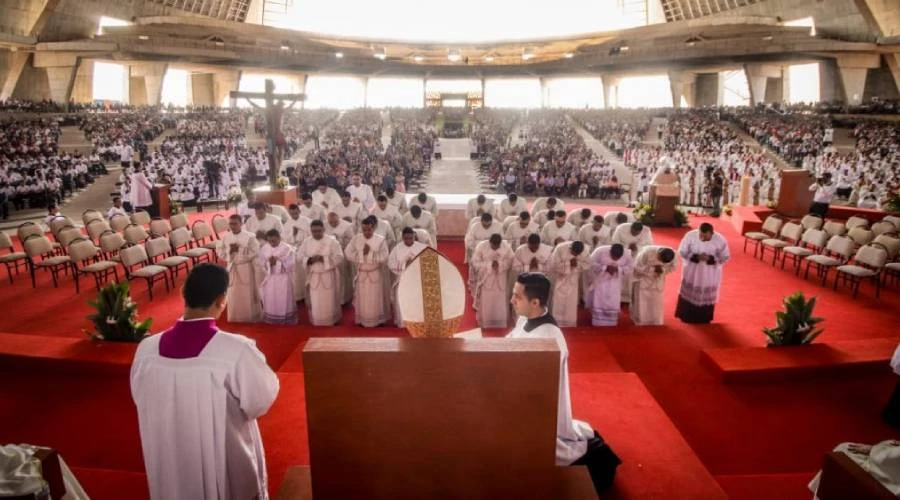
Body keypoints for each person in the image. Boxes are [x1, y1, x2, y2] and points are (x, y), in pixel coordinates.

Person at [131, 264, 279, 500]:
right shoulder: (235, 349)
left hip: (169, 457)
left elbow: (141, 398)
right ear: (221, 299)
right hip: (224, 458)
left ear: (183, 295)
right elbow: (260, 400)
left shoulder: (146, 351)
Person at [506, 273, 621, 495]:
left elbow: (539, 381)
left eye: (516, 296)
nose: (512, 300)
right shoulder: (524, 320)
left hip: (538, 406)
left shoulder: (550, 336)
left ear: (535, 302)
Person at [675, 223, 730, 324]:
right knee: (689, 292)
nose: (702, 237)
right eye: (700, 234)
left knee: (706, 293)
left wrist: (710, 258)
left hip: (709, 274)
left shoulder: (720, 240)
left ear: (712, 233)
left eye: (705, 236)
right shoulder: (690, 235)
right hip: (692, 271)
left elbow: (725, 257)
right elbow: (682, 251)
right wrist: (695, 257)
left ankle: (704, 318)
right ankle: (686, 316)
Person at [345, 216, 391, 327]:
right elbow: (347, 253)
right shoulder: (356, 238)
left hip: (374, 272)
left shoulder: (380, 239)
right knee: (363, 297)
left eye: (369, 230)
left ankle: (377, 320)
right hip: (361, 272)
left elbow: (385, 256)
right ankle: (363, 319)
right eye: (364, 230)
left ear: (373, 228)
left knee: (375, 297)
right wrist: (361, 254)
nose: (366, 232)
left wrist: (370, 253)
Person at [296, 219, 344, 326]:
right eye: (314, 231)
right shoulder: (307, 241)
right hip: (314, 275)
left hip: (328, 274)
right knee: (316, 299)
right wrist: (310, 260)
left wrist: (323, 259)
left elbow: (340, 257)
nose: (316, 233)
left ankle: (330, 319)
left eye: (319, 231)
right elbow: (299, 256)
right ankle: (317, 319)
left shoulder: (332, 241)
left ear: (324, 229)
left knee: (328, 299)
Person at [216, 215, 261, 323]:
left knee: (247, 292)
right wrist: (230, 252)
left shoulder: (250, 237)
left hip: (245, 267)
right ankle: (235, 316)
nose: (233, 226)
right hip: (232, 267)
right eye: (231, 223)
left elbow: (255, 251)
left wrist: (240, 253)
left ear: (241, 224)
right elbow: (220, 252)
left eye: (235, 223)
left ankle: (249, 317)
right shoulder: (226, 237)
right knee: (233, 292)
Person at [472, 233, 514, 328]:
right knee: (487, 299)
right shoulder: (481, 246)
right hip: (486, 277)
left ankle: (500, 321)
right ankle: (486, 321)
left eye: (497, 247)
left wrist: (500, 264)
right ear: (489, 242)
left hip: (501, 277)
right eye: (493, 246)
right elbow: (475, 263)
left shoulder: (506, 247)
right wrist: (490, 264)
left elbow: (511, 261)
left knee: (500, 299)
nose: (495, 248)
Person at [388, 227, 428, 326]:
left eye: (411, 238)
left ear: (414, 236)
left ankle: (417, 321)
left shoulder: (422, 247)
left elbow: (428, 263)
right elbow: (390, 263)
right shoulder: (397, 248)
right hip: (403, 279)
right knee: (402, 301)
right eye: (406, 238)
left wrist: (415, 263)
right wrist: (405, 263)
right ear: (402, 237)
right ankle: (403, 322)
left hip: (417, 279)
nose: (408, 241)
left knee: (416, 300)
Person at [258, 229, 297, 324]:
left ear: (279, 238)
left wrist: (277, 262)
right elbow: (261, 263)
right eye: (270, 241)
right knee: (271, 297)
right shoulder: (265, 248)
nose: (272, 243)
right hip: (271, 278)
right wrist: (268, 263)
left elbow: (291, 264)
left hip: (284, 278)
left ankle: (285, 318)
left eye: (274, 241)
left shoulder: (287, 249)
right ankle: (272, 316)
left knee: (284, 298)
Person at [630, 246, 677, 326]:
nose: (660, 261)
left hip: (658, 281)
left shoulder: (673, 255)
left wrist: (662, 270)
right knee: (642, 302)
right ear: (658, 254)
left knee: (656, 302)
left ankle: (656, 321)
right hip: (643, 281)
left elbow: (673, 267)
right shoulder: (646, 252)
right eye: (660, 259)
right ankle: (641, 321)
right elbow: (636, 267)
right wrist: (652, 270)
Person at [589, 244, 634, 327]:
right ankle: (598, 321)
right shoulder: (600, 251)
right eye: (613, 257)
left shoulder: (627, 254)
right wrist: (605, 268)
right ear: (610, 252)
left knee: (613, 299)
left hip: (615, 282)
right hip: (601, 281)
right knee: (599, 298)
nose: (615, 259)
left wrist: (618, 269)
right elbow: (591, 262)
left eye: (617, 258)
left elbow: (631, 267)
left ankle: (611, 321)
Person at [549, 240, 589, 327]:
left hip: (573, 279)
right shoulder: (560, 248)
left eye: (576, 254)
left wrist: (577, 264)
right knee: (559, 300)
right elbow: (553, 265)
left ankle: (570, 322)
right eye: (573, 253)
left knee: (571, 301)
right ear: (570, 248)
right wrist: (568, 264)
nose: (574, 255)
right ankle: (558, 321)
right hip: (560, 279)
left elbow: (587, 264)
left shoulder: (586, 251)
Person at [611, 222, 654, 304]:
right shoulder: (621, 228)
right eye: (633, 232)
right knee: (622, 275)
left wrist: (637, 247)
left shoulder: (646, 231)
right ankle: (619, 297)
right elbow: (614, 242)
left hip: (637, 256)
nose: (634, 234)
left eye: (637, 233)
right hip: (622, 255)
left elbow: (649, 246)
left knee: (633, 276)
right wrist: (627, 247)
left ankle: (631, 297)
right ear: (630, 228)